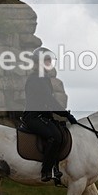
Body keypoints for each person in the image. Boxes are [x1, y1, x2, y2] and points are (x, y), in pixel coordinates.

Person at [22, 47, 77, 183]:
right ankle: (46, 171)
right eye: (46, 60)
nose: (49, 63)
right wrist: (66, 115)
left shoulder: (43, 78)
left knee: (61, 131)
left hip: (43, 117)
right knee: (55, 137)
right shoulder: (36, 79)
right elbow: (48, 100)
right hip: (33, 117)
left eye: (49, 60)